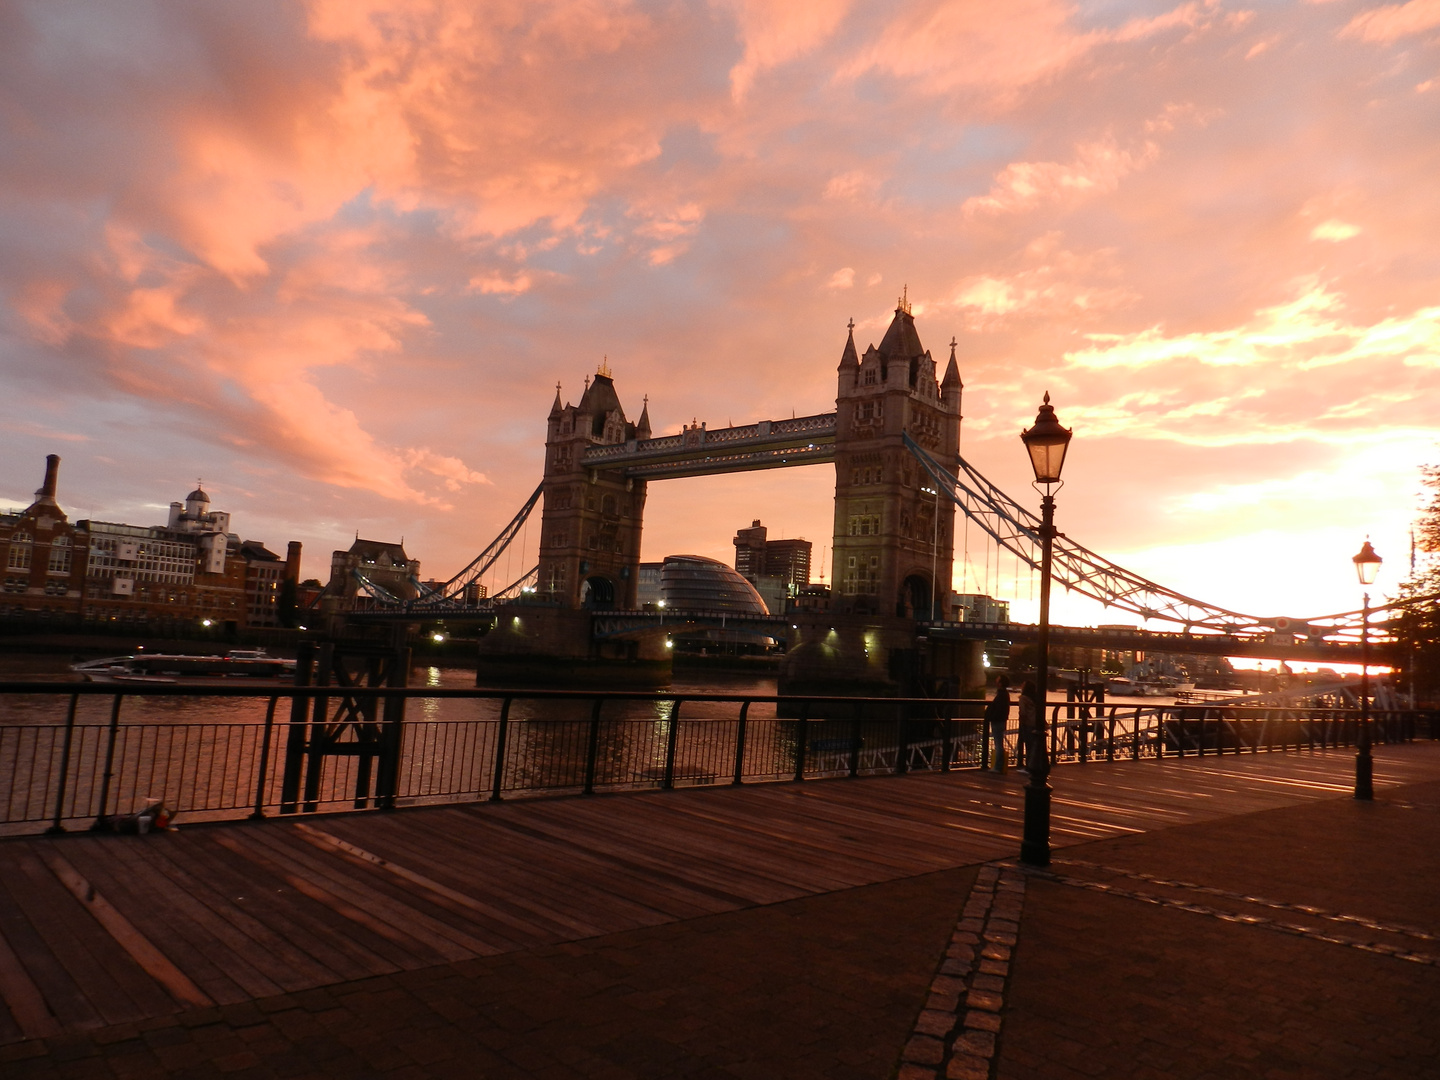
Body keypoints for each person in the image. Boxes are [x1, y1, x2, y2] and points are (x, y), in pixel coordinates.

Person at [983, 675, 1011, 772]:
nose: (996, 681)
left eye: (998, 679)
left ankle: (998, 767)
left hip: (997, 721)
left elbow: (998, 709)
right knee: (999, 743)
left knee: (998, 744)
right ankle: (998, 766)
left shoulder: (1001, 695)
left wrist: (991, 716)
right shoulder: (1005, 694)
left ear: (1000, 683)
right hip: (1001, 720)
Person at [1016, 679, 1038, 772]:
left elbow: (1023, 712)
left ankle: (1027, 766)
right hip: (1035, 723)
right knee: (1033, 746)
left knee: (1027, 745)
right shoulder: (1035, 698)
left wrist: (1022, 722)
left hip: (1027, 723)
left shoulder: (1023, 698)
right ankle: (1033, 765)